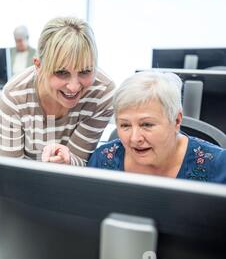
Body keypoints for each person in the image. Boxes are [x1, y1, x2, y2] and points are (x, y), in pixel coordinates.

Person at [0, 17, 115, 166]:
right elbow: (11, 171)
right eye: (61, 72)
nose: (73, 87)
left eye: (85, 71)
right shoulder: (14, 96)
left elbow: (80, 160)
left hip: (73, 184)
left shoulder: (102, 93)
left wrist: (67, 160)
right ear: (38, 66)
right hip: (25, 184)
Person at [88, 71, 226, 184]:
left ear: (176, 120)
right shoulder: (102, 160)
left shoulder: (220, 166)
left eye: (147, 124)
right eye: (125, 125)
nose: (135, 138)